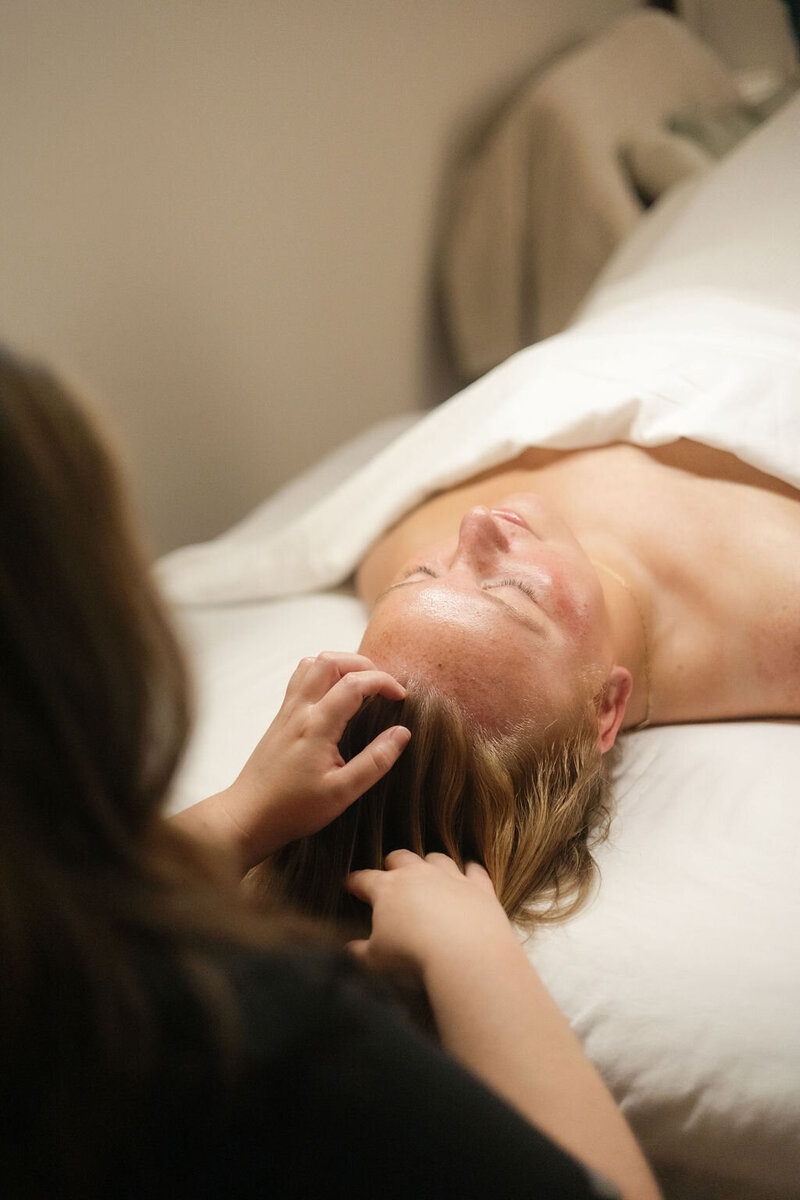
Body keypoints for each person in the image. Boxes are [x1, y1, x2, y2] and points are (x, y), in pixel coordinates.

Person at [0, 346, 662, 1199]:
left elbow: (69, 915)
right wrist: (476, 958)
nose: (470, 531)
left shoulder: (43, 953)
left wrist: (233, 818)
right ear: (95, 667)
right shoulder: (266, 1042)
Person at [264, 438, 800, 926]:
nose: (473, 524)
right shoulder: (782, 613)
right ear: (606, 706)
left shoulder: (388, 552)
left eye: (421, 577)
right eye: (517, 590)